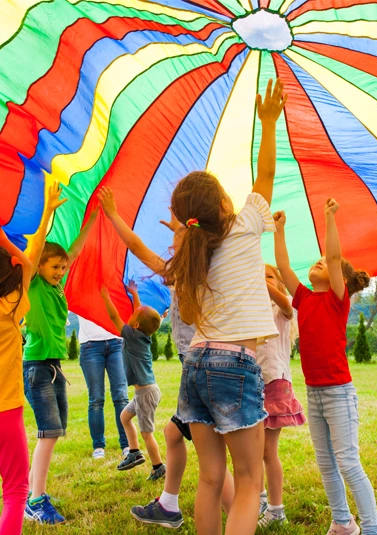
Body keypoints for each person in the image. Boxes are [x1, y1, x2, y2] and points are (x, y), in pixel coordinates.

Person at [162, 78, 286, 535]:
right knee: (250, 479)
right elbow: (267, 175)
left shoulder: (192, 252)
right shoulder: (247, 225)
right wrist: (268, 123)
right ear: (224, 203)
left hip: (196, 362)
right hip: (235, 364)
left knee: (212, 478)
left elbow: (191, 318)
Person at [91, 207, 236, 528]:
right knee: (175, 435)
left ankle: (238, 511)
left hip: (199, 366)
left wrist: (116, 215)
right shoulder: (214, 270)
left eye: (177, 245)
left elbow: (138, 247)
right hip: (204, 365)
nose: (172, 250)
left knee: (207, 455)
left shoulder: (187, 275)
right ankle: (173, 505)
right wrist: (181, 230)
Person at [274, 201, 377, 535]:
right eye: (317, 261)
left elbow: (335, 258)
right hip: (314, 393)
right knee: (326, 463)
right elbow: (283, 267)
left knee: (348, 462)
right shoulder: (305, 299)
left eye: (324, 263)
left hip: (338, 393)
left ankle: (373, 528)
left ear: (342, 280)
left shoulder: (338, 299)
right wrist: (279, 231)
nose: (319, 262)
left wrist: (329, 218)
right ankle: (342, 522)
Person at [23, 182, 96, 525]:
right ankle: (35, 499)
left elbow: (76, 251)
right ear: (39, 267)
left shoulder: (56, 287)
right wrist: (48, 211)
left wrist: (94, 216)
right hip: (37, 366)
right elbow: (36, 250)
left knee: (54, 432)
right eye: (54, 267)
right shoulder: (34, 283)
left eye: (62, 268)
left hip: (53, 367)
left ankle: (35, 493)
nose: (59, 271)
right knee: (48, 433)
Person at [100, 281, 165, 481]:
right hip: (144, 391)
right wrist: (134, 293)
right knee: (124, 418)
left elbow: (113, 317)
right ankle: (134, 453)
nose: (130, 314)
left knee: (147, 433)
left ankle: (159, 467)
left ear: (135, 325)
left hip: (145, 392)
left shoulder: (131, 334)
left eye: (133, 316)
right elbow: (139, 311)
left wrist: (105, 296)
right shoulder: (141, 334)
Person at [256, 264, 305, 528]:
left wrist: (259, 282)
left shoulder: (283, 309)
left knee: (267, 450)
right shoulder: (251, 312)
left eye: (269, 276)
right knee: (252, 450)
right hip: (252, 384)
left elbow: (286, 303)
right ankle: (261, 498)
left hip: (274, 383)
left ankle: (276, 509)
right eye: (259, 275)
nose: (263, 280)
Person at [0, 226, 32, 535]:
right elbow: (29, 265)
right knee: (16, 490)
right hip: (5, 413)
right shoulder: (10, 306)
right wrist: (4, 241)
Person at [78, 316, 129, 459]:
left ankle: (126, 444)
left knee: (121, 396)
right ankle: (98, 446)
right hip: (90, 346)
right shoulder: (81, 292)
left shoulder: (113, 291)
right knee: (96, 399)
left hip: (116, 342)